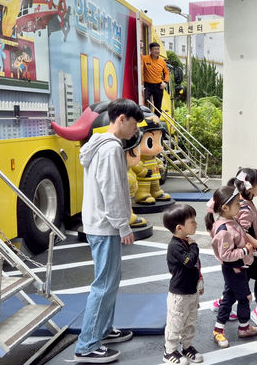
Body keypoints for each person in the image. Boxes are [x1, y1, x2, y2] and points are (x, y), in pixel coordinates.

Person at [75, 98, 143, 363]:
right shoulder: (111, 149)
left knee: (109, 281)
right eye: (134, 124)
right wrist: (122, 225)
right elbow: (112, 190)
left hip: (100, 223)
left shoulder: (100, 143)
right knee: (104, 284)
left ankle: (103, 330)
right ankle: (87, 345)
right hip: (105, 226)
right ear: (122, 119)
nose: (136, 130)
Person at [206, 186, 257, 348]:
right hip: (234, 268)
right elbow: (226, 255)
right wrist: (245, 250)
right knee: (245, 298)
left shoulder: (231, 220)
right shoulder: (224, 230)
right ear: (224, 208)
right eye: (237, 203)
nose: (240, 206)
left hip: (239, 267)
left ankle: (219, 329)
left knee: (229, 298)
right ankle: (243, 328)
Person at [228, 168, 257, 334]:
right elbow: (242, 232)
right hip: (244, 254)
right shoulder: (245, 208)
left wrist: (256, 222)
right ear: (250, 187)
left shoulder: (241, 201)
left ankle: (223, 306)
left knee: (235, 285)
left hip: (242, 254)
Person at [163, 204, 204, 365]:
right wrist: (194, 246)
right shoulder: (176, 246)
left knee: (190, 321)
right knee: (176, 322)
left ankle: (187, 347)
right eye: (192, 222)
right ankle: (169, 350)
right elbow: (189, 262)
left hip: (191, 291)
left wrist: (199, 283)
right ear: (179, 227)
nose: (196, 224)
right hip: (179, 294)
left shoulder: (185, 241)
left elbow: (196, 266)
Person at [141, 42, 170, 116]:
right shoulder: (145, 58)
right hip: (147, 85)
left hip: (158, 86)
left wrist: (165, 83)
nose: (157, 51)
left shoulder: (162, 62)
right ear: (150, 50)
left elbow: (167, 73)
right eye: (155, 49)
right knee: (144, 100)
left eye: (158, 49)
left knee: (158, 107)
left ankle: (156, 122)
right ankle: (144, 118)